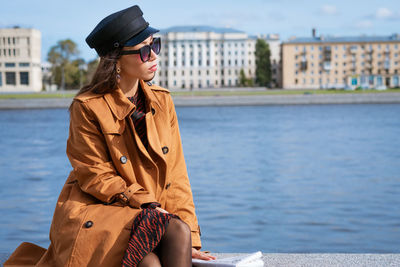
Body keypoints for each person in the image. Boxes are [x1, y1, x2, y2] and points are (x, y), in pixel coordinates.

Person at [4, 5, 215, 267]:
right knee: (150, 261)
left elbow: (176, 175)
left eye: (155, 45)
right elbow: (94, 174)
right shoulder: (88, 106)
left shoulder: (162, 102)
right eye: (144, 50)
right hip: (101, 211)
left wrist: (193, 241)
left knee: (179, 231)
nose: (154, 56)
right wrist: (147, 204)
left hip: (150, 212)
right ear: (116, 59)